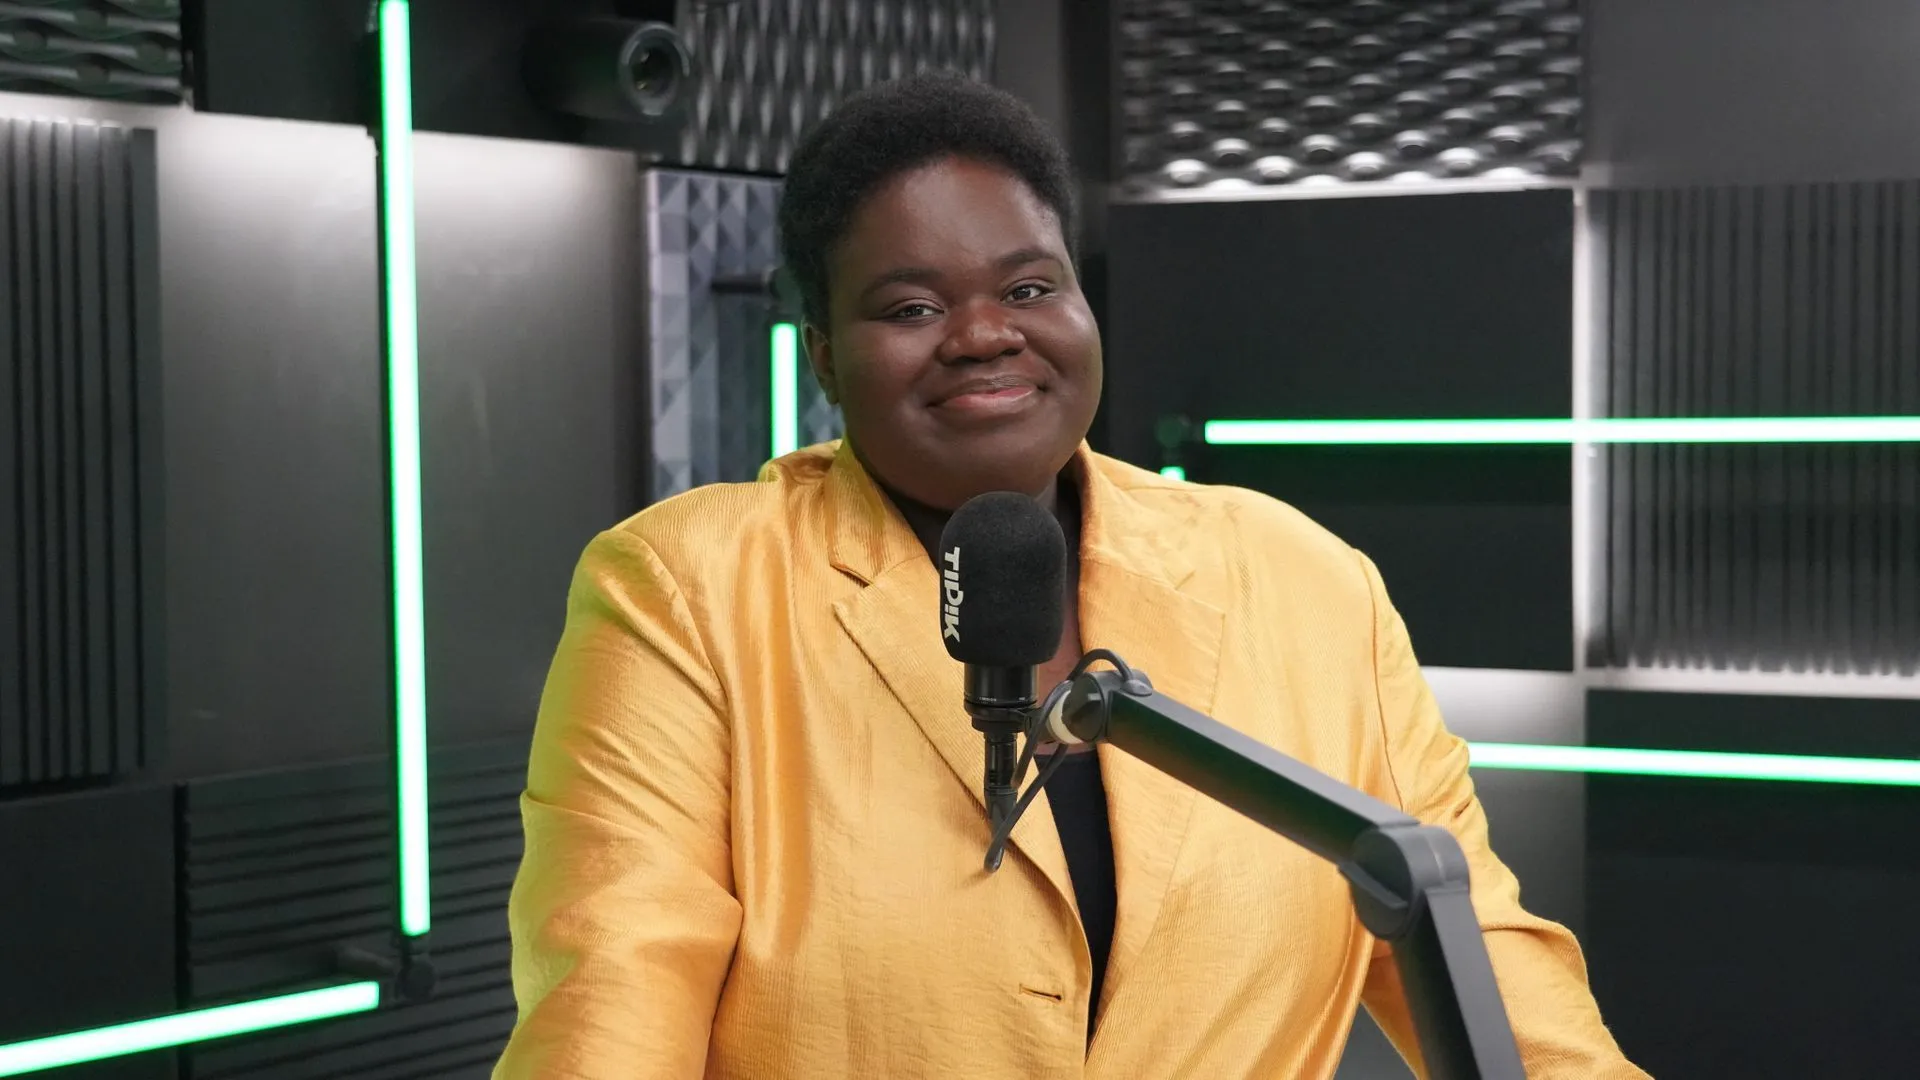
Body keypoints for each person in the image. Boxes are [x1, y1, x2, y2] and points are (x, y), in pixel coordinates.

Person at [493, 72, 1646, 1079]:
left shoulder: (1303, 581)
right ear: (826, 358)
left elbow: (1477, 956)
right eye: (911, 306)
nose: (984, 333)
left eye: (1029, 288)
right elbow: (615, 997)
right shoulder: (685, 591)